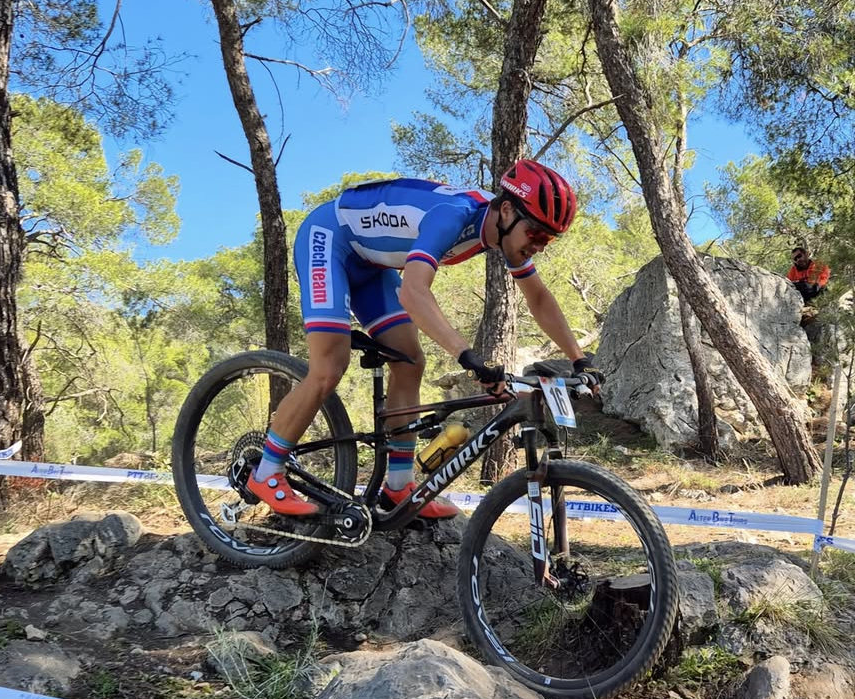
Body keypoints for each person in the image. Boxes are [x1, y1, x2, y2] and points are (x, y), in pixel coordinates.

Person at [248, 160, 601, 518]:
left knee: (410, 361)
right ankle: (266, 470)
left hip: (372, 265)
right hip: (328, 239)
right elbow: (414, 292)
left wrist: (579, 359)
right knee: (329, 367)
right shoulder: (454, 215)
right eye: (537, 235)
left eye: (548, 240)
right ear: (507, 210)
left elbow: (538, 298)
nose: (540, 246)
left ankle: (398, 487)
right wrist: (466, 355)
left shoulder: (499, 231)